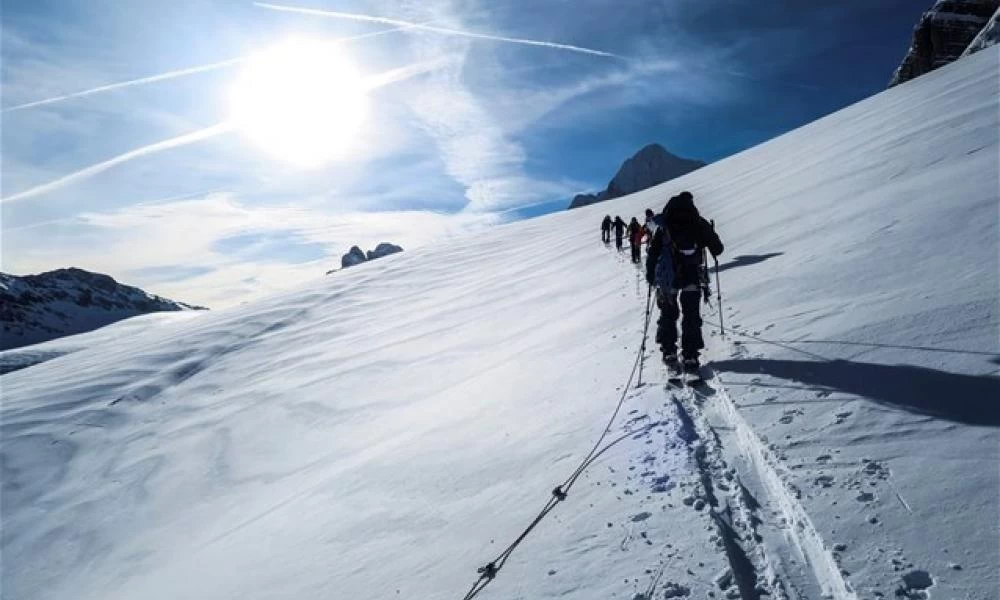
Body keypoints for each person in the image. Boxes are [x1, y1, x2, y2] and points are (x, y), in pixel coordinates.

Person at [645, 191, 724, 374]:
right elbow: (718, 249)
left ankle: (669, 351)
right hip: (692, 275)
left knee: (668, 313)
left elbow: (653, 253)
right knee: (691, 315)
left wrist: (651, 276)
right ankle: (690, 354)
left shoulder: (664, 224)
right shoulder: (697, 221)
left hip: (668, 278)